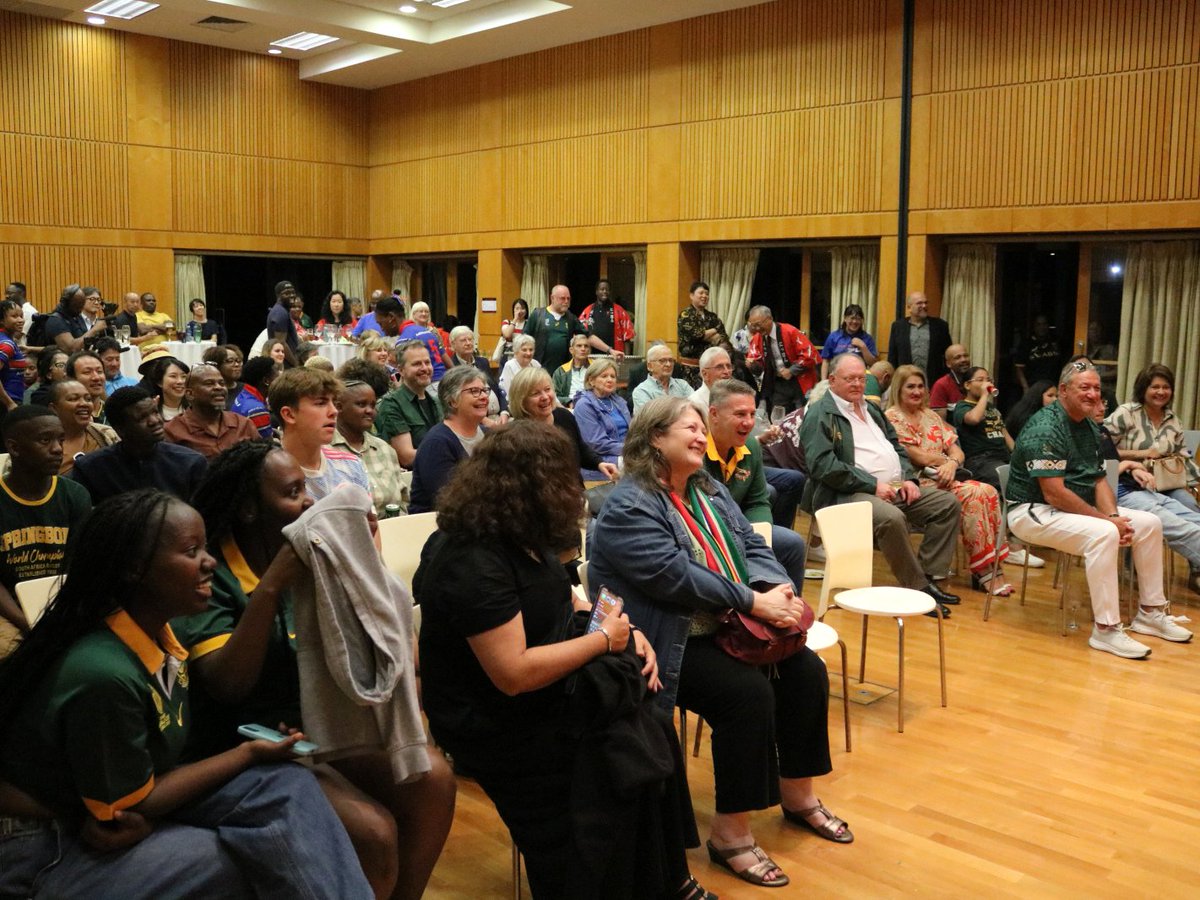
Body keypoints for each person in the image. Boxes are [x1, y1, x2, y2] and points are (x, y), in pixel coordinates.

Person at [0, 489, 374, 899]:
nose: (209, 562)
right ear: (134, 570)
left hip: (103, 808)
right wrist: (247, 753)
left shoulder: (161, 639)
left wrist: (257, 753)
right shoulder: (104, 672)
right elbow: (128, 810)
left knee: (286, 784)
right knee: (232, 860)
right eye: (192, 551)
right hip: (41, 846)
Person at [415, 421, 712, 900]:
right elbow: (511, 674)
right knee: (619, 758)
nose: (574, 487)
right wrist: (605, 642)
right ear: (533, 483)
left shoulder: (518, 532)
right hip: (492, 718)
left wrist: (628, 629)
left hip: (540, 689)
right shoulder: (472, 558)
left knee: (648, 727)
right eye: (563, 477)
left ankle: (660, 879)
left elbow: (571, 596)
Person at [590, 396, 851, 888]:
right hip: (665, 640)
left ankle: (799, 798)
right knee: (745, 696)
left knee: (806, 674)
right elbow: (674, 576)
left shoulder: (705, 486)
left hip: (727, 626)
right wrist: (755, 604)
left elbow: (753, 542)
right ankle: (730, 834)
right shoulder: (629, 502)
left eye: (698, 428)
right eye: (687, 428)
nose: (698, 436)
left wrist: (778, 587)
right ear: (654, 440)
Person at [174, 443, 455, 899]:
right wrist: (271, 586)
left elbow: (374, 638)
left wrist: (359, 555)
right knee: (373, 833)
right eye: (291, 492)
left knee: (434, 780)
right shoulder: (213, 575)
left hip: (306, 731)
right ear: (247, 508)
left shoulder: (314, 556)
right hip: (238, 747)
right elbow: (228, 685)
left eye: (306, 487)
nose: (309, 502)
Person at [1007, 360, 1192, 658]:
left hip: (1067, 508)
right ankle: (1106, 631)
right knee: (1104, 532)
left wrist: (1115, 517)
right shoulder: (1046, 427)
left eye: (1096, 388)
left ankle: (1151, 613)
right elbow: (1054, 493)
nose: (1093, 394)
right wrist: (1107, 523)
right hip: (1031, 511)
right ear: (1064, 390)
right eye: (1085, 387)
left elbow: (1098, 479)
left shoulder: (1090, 426)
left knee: (1150, 523)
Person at [799, 353, 962, 616]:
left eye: (861, 378)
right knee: (892, 517)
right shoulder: (820, 413)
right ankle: (917, 588)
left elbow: (896, 447)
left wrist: (905, 480)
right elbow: (822, 467)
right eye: (849, 379)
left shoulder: (871, 408)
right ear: (832, 380)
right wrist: (873, 485)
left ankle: (930, 576)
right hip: (844, 493)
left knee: (946, 504)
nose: (856, 384)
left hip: (889, 487)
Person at [885, 366, 1013, 595]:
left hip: (947, 478)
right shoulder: (892, 417)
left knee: (988, 491)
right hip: (916, 484)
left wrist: (952, 464)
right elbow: (917, 457)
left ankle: (990, 566)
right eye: (910, 386)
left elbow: (958, 451)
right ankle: (984, 571)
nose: (916, 391)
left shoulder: (931, 415)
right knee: (974, 495)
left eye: (920, 386)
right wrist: (945, 460)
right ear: (899, 389)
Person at [0, 406, 92, 655]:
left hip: (60, 602)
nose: (57, 449)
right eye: (45, 440)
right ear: (15, 448)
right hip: (9, 608)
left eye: (60, 439)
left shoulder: (74, 495)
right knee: (8, 650)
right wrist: (30, 625)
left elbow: (77, 567)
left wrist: (61, 617)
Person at [704, 379, 809, 586]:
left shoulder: (751, 446)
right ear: (714, 414)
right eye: (740, 414)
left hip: (742, 530)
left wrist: (760, 536)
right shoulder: (695, 449)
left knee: (793, 543)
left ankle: (789, 611)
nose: (749, 422)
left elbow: (758, 501)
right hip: (707, 535)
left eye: (752, 414)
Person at [71, 387, 208, 504]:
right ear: (120, 429)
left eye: (155, 412)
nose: (155, 421)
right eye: (142, 417)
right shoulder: (91, 469)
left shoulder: (190, 463)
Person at [1104, 363, 1200, 514]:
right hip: (1130, 482)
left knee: (1191, 505)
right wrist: (1142, 454)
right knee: (1165, 514)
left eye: (1166, 387)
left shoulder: (1173, 420)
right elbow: (1102, 449)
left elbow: (1184, 458)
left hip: (1167, 485)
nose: (1161, 392)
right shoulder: (1126, 413)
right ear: (1143, 389)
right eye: (1155, 387)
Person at [270, 367, 370, 501]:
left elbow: (367, 521)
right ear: (289, 414)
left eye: (334, 403)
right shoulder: (267, 476)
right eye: (321, 403)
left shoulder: (352, 465)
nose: (334, 411)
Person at [508, 365, 618, 482]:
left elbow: (580, 448)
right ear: (521, 400)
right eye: (536, 393)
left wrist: (599, 463)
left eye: (547, 389)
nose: (545, 397)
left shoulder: (564, 416)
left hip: (574, 491)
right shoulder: (515, 436)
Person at [409, 365, 489, 513]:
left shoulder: (490, 435)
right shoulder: (437, 443)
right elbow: (449, 501)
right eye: (474, 391)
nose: (484, 397)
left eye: (484, 390)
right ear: (452, 401)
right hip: (437, 527)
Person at [334, 378, 409, 515]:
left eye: (373, 405)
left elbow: (403, 502)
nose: (370, 411)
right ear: (339, 407)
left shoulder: (385, 449)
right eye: (361, 404)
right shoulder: (324, 450)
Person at [163, 365, 259, 460]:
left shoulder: (243, 424)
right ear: (190, 394)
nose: (218, 387)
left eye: (222, 383)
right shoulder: (172, 431)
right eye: (209, 384)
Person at [375, 340, 442, 468]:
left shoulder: (438, 402)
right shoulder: (392, 404)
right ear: (401, 370)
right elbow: (407, 457)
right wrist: (447, 451)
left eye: (427, 362)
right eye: (417, 364)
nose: (424, 368)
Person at [524, 284, 617, 371]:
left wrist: (610, 350)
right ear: (552, 298)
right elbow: (523, 339)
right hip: (538, 369)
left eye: (568, 299)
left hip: (563, 371)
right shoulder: (538, 314)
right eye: (562, 298)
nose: (566, 302)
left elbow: (589, 337)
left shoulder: (571, 318)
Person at [746, 305, 820, 414]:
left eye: (758, 325)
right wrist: (752, 365)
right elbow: (758, 364)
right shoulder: (758, 338)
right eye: (753, 326)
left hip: (798, 380)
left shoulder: (790, 331)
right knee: (778, 415)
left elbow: (810, 355)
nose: (756, 329)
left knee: (803, 414)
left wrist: (791, 370)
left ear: (769, 319)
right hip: (778, 383)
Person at [50, 379, 118, 475]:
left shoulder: (107, 434)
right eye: (73, 399)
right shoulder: (45, 446)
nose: (84, 404)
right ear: (54, 408)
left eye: (88, 399)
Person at [573, 358, 631, 469]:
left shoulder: (619, 401)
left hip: (626, 453)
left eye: (613, 377)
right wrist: (630, 449)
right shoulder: (584, 405)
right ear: (591, 381)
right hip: (602, 460)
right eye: (604, 376)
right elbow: (596, 443)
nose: (610, 380)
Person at [886, 291, 953, 383]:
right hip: (905, 381)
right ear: (909, 308)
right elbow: (892, 357)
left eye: (925, 302)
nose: (924, 306)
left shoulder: (940, 326)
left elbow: (948, 355)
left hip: (934, 382)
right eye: (919, 303)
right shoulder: (898, 327)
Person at [445, 325, 508, 423]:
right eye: (463, 340)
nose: (468, 343)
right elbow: (460, 404)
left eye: (470, 339)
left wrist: (504, 413)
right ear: (453, 345)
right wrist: (484, 420)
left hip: (499, 417)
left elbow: (497, 389)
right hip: (475, 422)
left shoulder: (483, 362)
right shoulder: (451, 367)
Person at [676, 281, 728, 370]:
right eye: (701, 293)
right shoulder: (686, 315)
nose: (704, 296)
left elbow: (723, 335)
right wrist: (715, 330)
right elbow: (696, 335)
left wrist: (705, 335)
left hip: (711, 365)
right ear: (691, 296)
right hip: (690, 366)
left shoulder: (712, 316)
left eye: (707, 294)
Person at [44, 284, 107, 355]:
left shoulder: (74, 317)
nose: (80, 309)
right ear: (68, 303)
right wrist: (95, 329)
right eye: (77, 306)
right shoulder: (56, 320)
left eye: (81, 305)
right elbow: (71, 349)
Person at [579, 278, 635, 355]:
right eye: (602, 289)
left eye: (607, 289)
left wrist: (627, 360)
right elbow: (580, 335)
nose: (604, 291)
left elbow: (627, 337)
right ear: (596, 292)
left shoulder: (619, 311)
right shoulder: (587, 311)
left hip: (614, 355)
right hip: (591, 357)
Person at [819, 303, 877, 378]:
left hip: (858, 378)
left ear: (862, 321)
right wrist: (823, 382)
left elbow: (873, 364)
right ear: (845, 319)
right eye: (852, 318)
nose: (855, 322)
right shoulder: (834, 336)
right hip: (837, 377)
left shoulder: (867, 338)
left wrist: (863, 347)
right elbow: (826, 361)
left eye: (858, 319)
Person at [633, 343, 693, 410]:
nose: (668, 364)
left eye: (671, 360)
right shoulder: (642, 391)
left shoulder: (682, 385)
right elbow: (649, 419)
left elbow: (695, 408)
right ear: (650, 366)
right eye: (662, 361)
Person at [398, 301, 448, 382]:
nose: (424, 314)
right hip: (422, 374)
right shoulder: (409, 331)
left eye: (426, 311)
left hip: (438, 372)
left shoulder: (434, 330)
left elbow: (441, 351)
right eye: (420, 311)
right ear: (413, 314)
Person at [1013, 314, 1064, 393]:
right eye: (1038, 324)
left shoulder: (1056, 342)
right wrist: (1025, 388)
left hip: (1053, 386)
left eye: (1044, 324)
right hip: (1034, 387)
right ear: (1034, 326)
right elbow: (1019, 369)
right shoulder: (1026, 344)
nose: (1042, 327)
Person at [231, 356, 277, 439]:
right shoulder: (256, 410)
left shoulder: (243, 394)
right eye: (276, 375)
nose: (279, 377)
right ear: (266, 381)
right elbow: (268, 446)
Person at [928, 344, 972, 419]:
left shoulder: (976, 380)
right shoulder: (941, 385)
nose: (963, 360)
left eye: (966, 356)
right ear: (948, 364)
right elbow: (940, 423)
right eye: (958, 357)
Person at [66, 349, 108, 424]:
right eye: (87, 372)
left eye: (99, 372)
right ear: (71, 379)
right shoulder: (67, 415)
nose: (96, 377)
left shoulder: (114, 411)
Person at [0, 299, 26, 416]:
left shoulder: (8, 341)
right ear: (1, 320)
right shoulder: (7, 344)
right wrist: (9, 403)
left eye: (21, 316)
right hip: (6, 405)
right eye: (14, 316)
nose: (21, 320)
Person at [689, 345, 734, 412]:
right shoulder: (694, 404)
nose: (726, 371)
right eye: (720, 367)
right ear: (705, 374)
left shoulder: (735, 398)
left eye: (728, 366)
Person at [552, 332, 592, 407]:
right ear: (571, 350)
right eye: (579, 346)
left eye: (586, 346)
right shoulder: (561, 371)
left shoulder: (597, 368)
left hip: (592, 405)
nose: (583, 349)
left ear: (589, 350)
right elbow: (553, 395)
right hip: (568, 407)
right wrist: (569, 402)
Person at [145, 356, 190, 422]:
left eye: (184, 376)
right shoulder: (151, 411)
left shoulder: (195, 408)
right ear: (159, 382)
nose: (180, 381)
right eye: (173, 376)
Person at [266, 280, 300, 359]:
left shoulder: (282, 311)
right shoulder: (280, 313)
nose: (291, 295)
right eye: (287, 293)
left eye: (293, 292)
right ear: (278, 296)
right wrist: (295, 363)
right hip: (285, 364)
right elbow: (281, 344)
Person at [203, 343, 244, 408]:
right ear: (215, 365)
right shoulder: (206, 392)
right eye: (230, 361)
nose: (237, 364)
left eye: (238, 361)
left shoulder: (248, 390)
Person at [492, 297, 528, 363]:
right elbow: (507, 335)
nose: (520, 311)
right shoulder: (507, 322)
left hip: (522, 356)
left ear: (526, 310)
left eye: (522, 308)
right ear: (513, 310)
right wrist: (515, 319)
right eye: (517, 308)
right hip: (507, 356)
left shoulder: (528, 323)